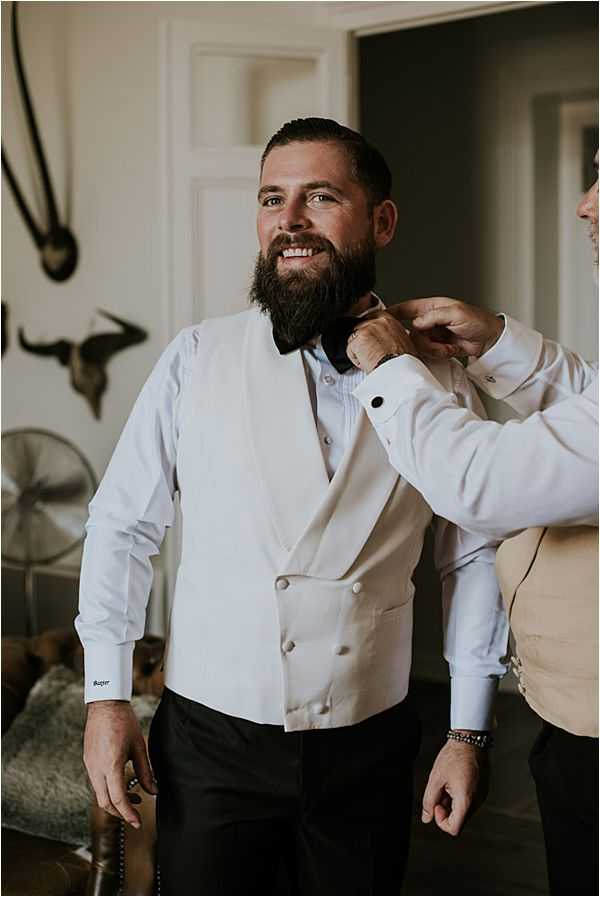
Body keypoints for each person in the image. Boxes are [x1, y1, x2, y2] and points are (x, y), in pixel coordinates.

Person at [76, 118, 509, 896]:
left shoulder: (442, 379)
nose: (290, 220)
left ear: (381, 221)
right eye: (273, 198)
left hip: (371, 744)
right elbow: (123, 527)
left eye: (320, 196)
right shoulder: (196, 358)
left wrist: (468, 729)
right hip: (212, 741)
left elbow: (470, 556)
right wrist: (106, 696)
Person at [347, 154, 598, 895]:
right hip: (572, 731)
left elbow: (478, 487)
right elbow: (589, 407)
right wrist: (498, 343)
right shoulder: (199, 358)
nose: (585, 205)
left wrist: (393, 370)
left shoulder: (405, 376)